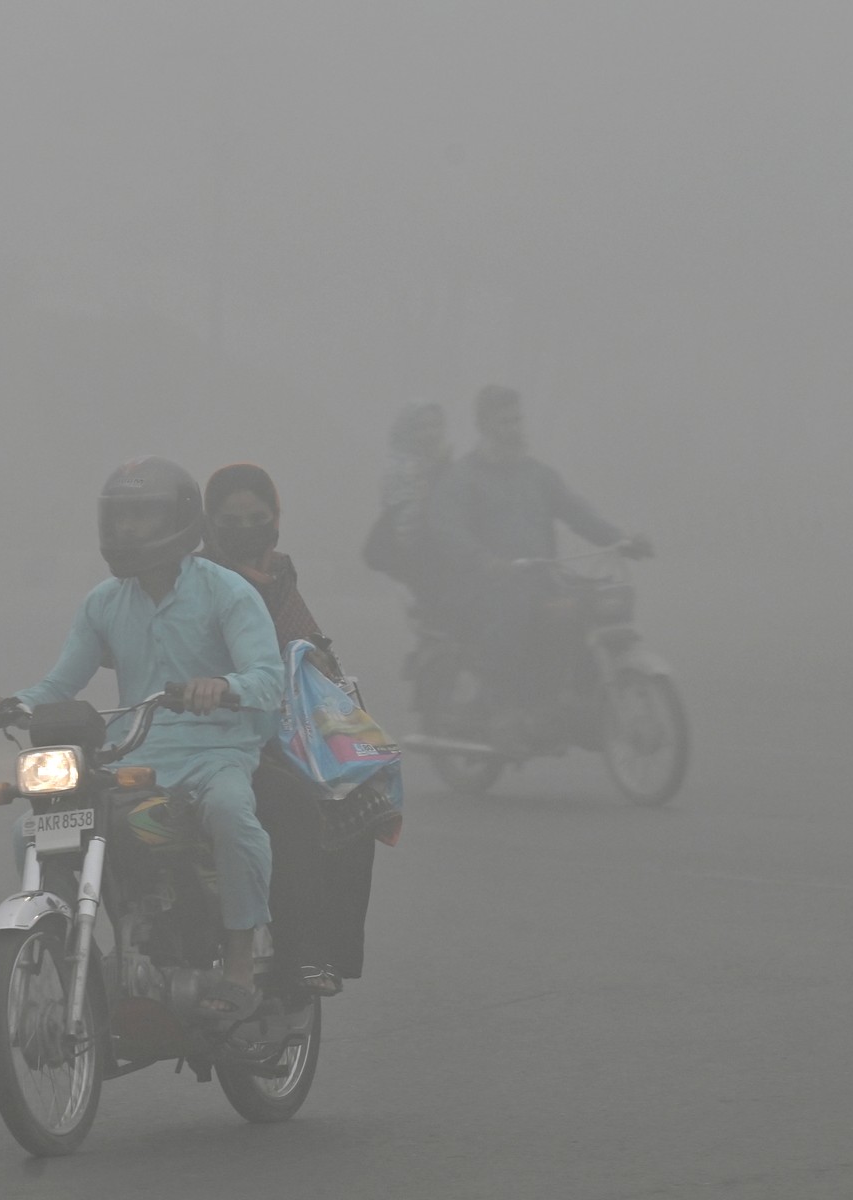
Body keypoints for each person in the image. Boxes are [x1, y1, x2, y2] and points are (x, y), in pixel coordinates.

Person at [0, 457, 286, 1020]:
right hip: (135, 755)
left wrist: (222, 685)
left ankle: (239, 962)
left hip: (215, 753)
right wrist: (14, 703)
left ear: (181, 521)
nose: (128, 531)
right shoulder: (104, 602)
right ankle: (81, 951)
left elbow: (267, 678)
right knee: (33, 830)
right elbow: (60, 682)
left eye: (142, 517)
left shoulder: (228, 592)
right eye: (120, 520)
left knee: (233, 818)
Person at [201, 463, 385, 997]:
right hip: (211, 734)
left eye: (257, 518)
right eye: (231, 520)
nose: (246, 530)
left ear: (276, 519)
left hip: (273, 729)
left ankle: (318, 953)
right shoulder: (196, 581)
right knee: (294, 806)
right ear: (209, 524)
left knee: (358, 793)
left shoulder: (279, 578)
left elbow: (311, 652)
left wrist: (341, 702)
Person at [426, 384, 651, 752]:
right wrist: (484, 561)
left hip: (538, 577)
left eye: (518, 419)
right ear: (484, 424)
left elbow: (578, 513)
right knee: (513, 610)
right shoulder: (462, 478)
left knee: (585, 605)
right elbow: (446, 529)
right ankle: (501, 704)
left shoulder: (537, 475)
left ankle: (565, 698)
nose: (515, 427)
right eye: (505, 420)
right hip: (482, 586)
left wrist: (621, 539)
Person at [368, 400, 451, 603]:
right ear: (408, 431)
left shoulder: (444, 464)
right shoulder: (400, 468)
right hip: (412, 563)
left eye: (436, 425)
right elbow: (406, 519)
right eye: (422, 427)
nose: (431, 433)